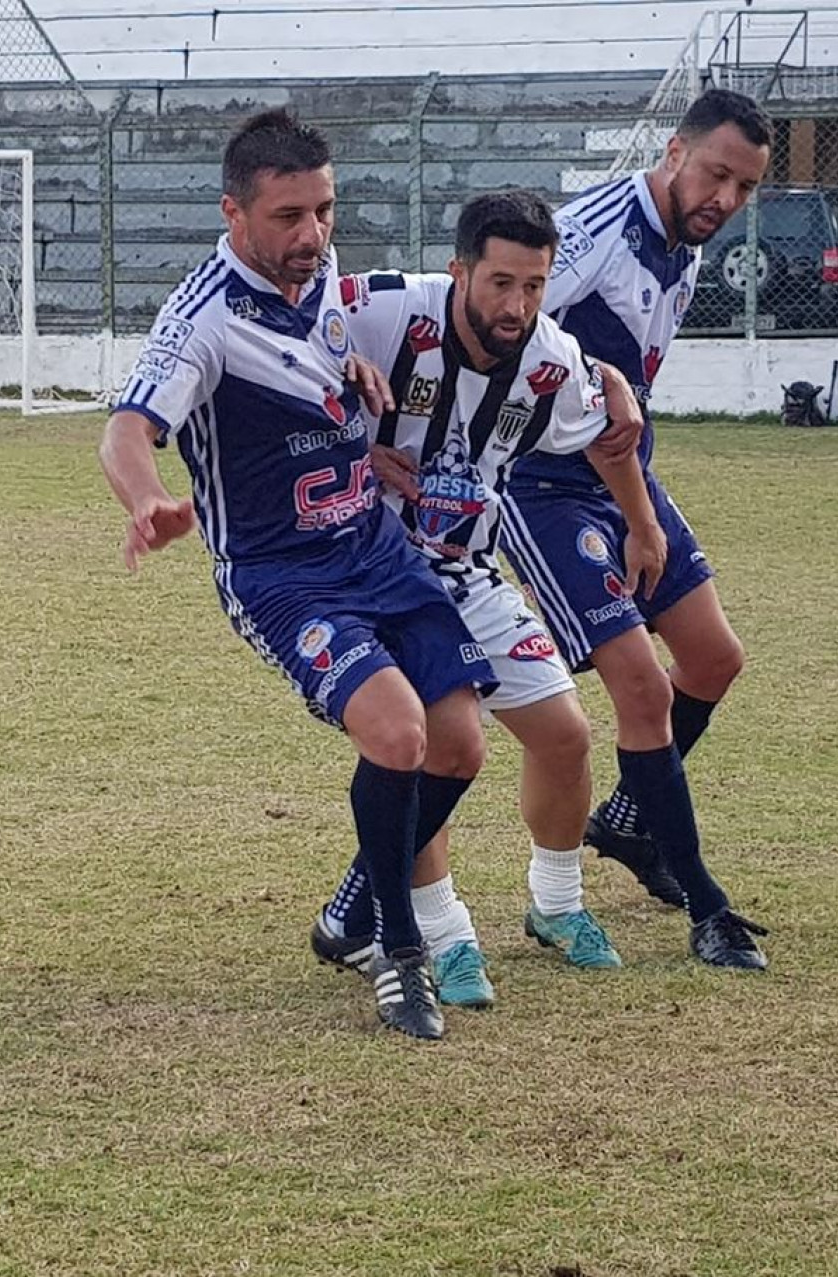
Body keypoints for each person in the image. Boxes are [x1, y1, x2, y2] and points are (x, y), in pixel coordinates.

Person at [98, 110, 493, 1041]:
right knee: (396, 733)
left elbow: (319, 350)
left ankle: (352, 904)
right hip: (284, 576)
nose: (311, 235)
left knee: (460, 744)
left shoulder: (314, 281)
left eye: (323, 211)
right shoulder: (201, 320)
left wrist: (349, 371)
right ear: (234, 214)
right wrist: (147, 501)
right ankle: (396, 956)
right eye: (287, 217)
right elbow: (126, 427)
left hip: (375, 548)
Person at [308, 189, 657, 1004]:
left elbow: (605, 428)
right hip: (377, 574)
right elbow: (282, 353)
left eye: (534, 285)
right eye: (501, 283)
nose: (518, 305)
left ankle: (558, 906)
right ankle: (447, 933)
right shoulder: (386, 311)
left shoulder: (547, 357)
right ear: (459, 269)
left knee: (565, 734)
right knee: (442, 743)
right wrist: (355, 458)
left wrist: (640, 521)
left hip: (468, 571)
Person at [498, 88, 774, 968]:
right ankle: (707, 905)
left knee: (713, 658)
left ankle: (625, 820)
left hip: (621, 475)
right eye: (715, 174)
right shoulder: (593, 232)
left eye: (743, 188)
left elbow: (631, 383)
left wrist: (637, 505)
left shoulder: (682, 249)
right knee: (643, 689)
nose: (724, 200)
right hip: (539, 487)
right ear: (672, 151)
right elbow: (496, 313)